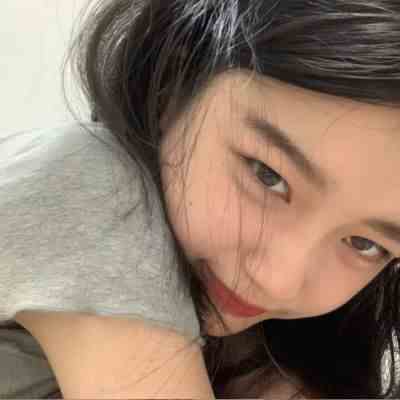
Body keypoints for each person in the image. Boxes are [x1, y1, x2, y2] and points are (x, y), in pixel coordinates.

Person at [4, 0, 400, 398]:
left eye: (364, 244)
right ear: (174, 83)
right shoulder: (91, 181)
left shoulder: (275, 344)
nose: (277, 280)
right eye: (268, 175)